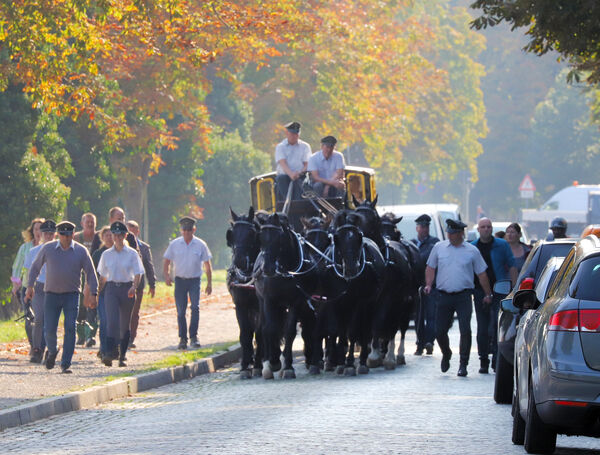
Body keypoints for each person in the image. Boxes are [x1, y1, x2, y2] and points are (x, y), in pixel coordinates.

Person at [26, 221, 98, 374]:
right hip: (51, 295)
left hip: (71, 295)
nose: (66, 238)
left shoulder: (80, 251)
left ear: (73, 234)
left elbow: (90, 273)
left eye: (68, 235)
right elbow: (35, 267)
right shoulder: (49, 248)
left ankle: (66, 363)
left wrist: (94, 293)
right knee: (49, 329)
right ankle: (52, 351)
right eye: (63, 235)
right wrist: (30, 286)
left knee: (70, 327)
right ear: (58, 235)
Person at [424, 219, 492, 377]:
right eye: (449, 232)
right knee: (439, 331)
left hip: (464, 296)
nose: (451, 235)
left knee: (465, 330)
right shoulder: (439, 248)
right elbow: (430, 267)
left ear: (461, 233)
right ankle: (446, 353)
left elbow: (481, 274)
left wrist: (487, 293)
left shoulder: (471, 250)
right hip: (443, 295)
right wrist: (428, 284)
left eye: (454, 233)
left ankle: (463, 364)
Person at [471, 218, 517, 374]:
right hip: (479, 291)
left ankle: (496, 359)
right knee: (482, 328)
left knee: (497, 327)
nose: (486, 229)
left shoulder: (502, 245)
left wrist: (514, 288)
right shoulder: (472, 247)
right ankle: (483, 360)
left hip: (500, 290)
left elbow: (512, 266)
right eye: (483, 227)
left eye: (488, 227)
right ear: (478, 229)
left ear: (492, 229)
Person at [97, 221, 144, 367]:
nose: (116, 238)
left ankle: (122, 355)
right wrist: (97, 292)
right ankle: (110, 353)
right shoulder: (106, 254)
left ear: (125, 236)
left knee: (124, 324)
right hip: (111, 289)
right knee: (111, 321)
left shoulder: (132, 253)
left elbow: (138, 273)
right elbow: (103, 276)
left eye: (119, 235)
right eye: (114, 235)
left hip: (126, 289)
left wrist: (134, 287)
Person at [163, 216, 213, 350]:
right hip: (180, 280)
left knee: (195, 307)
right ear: (181, 230)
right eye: (184, 230)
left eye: (189, 230)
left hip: (195, 280)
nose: (186, 233)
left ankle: (194, 336)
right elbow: (167, 260)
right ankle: (183, 338)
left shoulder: (200, 244)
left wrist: (209, 283)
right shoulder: (174, 244)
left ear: (194, 230)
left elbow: (207, 264)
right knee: (180, 310)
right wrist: (167, 276)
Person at [22, 220, 56, 363]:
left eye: (51, 233)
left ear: (54, 234)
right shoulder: (33, 251)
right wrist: (28, 288)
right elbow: (30, 271)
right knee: (39, 318)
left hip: (55, 287)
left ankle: (50, 348)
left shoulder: (59, 249)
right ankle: (37, 349)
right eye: (45, 233)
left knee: (51, 320)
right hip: (39, 287)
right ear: (41, 234)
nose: (48, 236)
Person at [11, 218, 44, 348]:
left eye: (41, 229)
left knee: (41, 318)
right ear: (32, 231)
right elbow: (17, 267)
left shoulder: (49, 247)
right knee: (29, 318)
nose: (39, 232)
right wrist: (15, 285)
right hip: (27, 287)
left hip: (44, 287)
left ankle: (41, 345)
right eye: (36, 229)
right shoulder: (25, 248)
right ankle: (33, 345)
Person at [411, 214, 440, 356]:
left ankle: (429, 341)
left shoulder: (435, 243)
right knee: (418, 316)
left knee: (431, 315)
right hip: (416, 285)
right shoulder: (411, 244)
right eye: (422, 226)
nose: (425, 229)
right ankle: (419, 343)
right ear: (417, 228)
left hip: (431, 284)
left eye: (427, 226)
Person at [126, 220, 157, 348]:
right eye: (128, 229)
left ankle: (131, 337)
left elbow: (149, 266)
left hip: (138, 285)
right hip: (124, 283)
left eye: (133, 229)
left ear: (137, 231)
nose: (130, 232)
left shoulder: (144, 247)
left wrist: (152, 283)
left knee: (134, 312)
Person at [74, 212, 98, 347]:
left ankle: (90, 336)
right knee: (80, 307)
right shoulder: (77, 237)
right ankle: (81, 335)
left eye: (92, 222)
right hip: (80, 275)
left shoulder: (99, 238)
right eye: (87, 222)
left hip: (94, 274)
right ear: (82, 223)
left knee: (93, 307)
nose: (90, 224)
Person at [275, 121, 312, 201]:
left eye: (296, 134)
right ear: (287, 133)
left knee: (304, 183)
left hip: (300, 175)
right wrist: (291, 174)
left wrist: (300, 172)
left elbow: (307, 164)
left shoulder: (305, 146)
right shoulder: (280, 147)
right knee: (281, 179)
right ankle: (288, 203)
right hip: (285, 176)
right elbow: (283, 163)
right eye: (292, 134)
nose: (294, 136)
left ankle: (300, 205)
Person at [92, 226, 113, 360]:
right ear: (102, 237)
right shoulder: (98, 254)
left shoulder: (119, 252)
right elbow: (92, 273)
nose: (109, 237)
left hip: (117, 291)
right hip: (102, 292)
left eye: (112, 235)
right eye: (106, 235)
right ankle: (104, 349)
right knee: (104, 321)